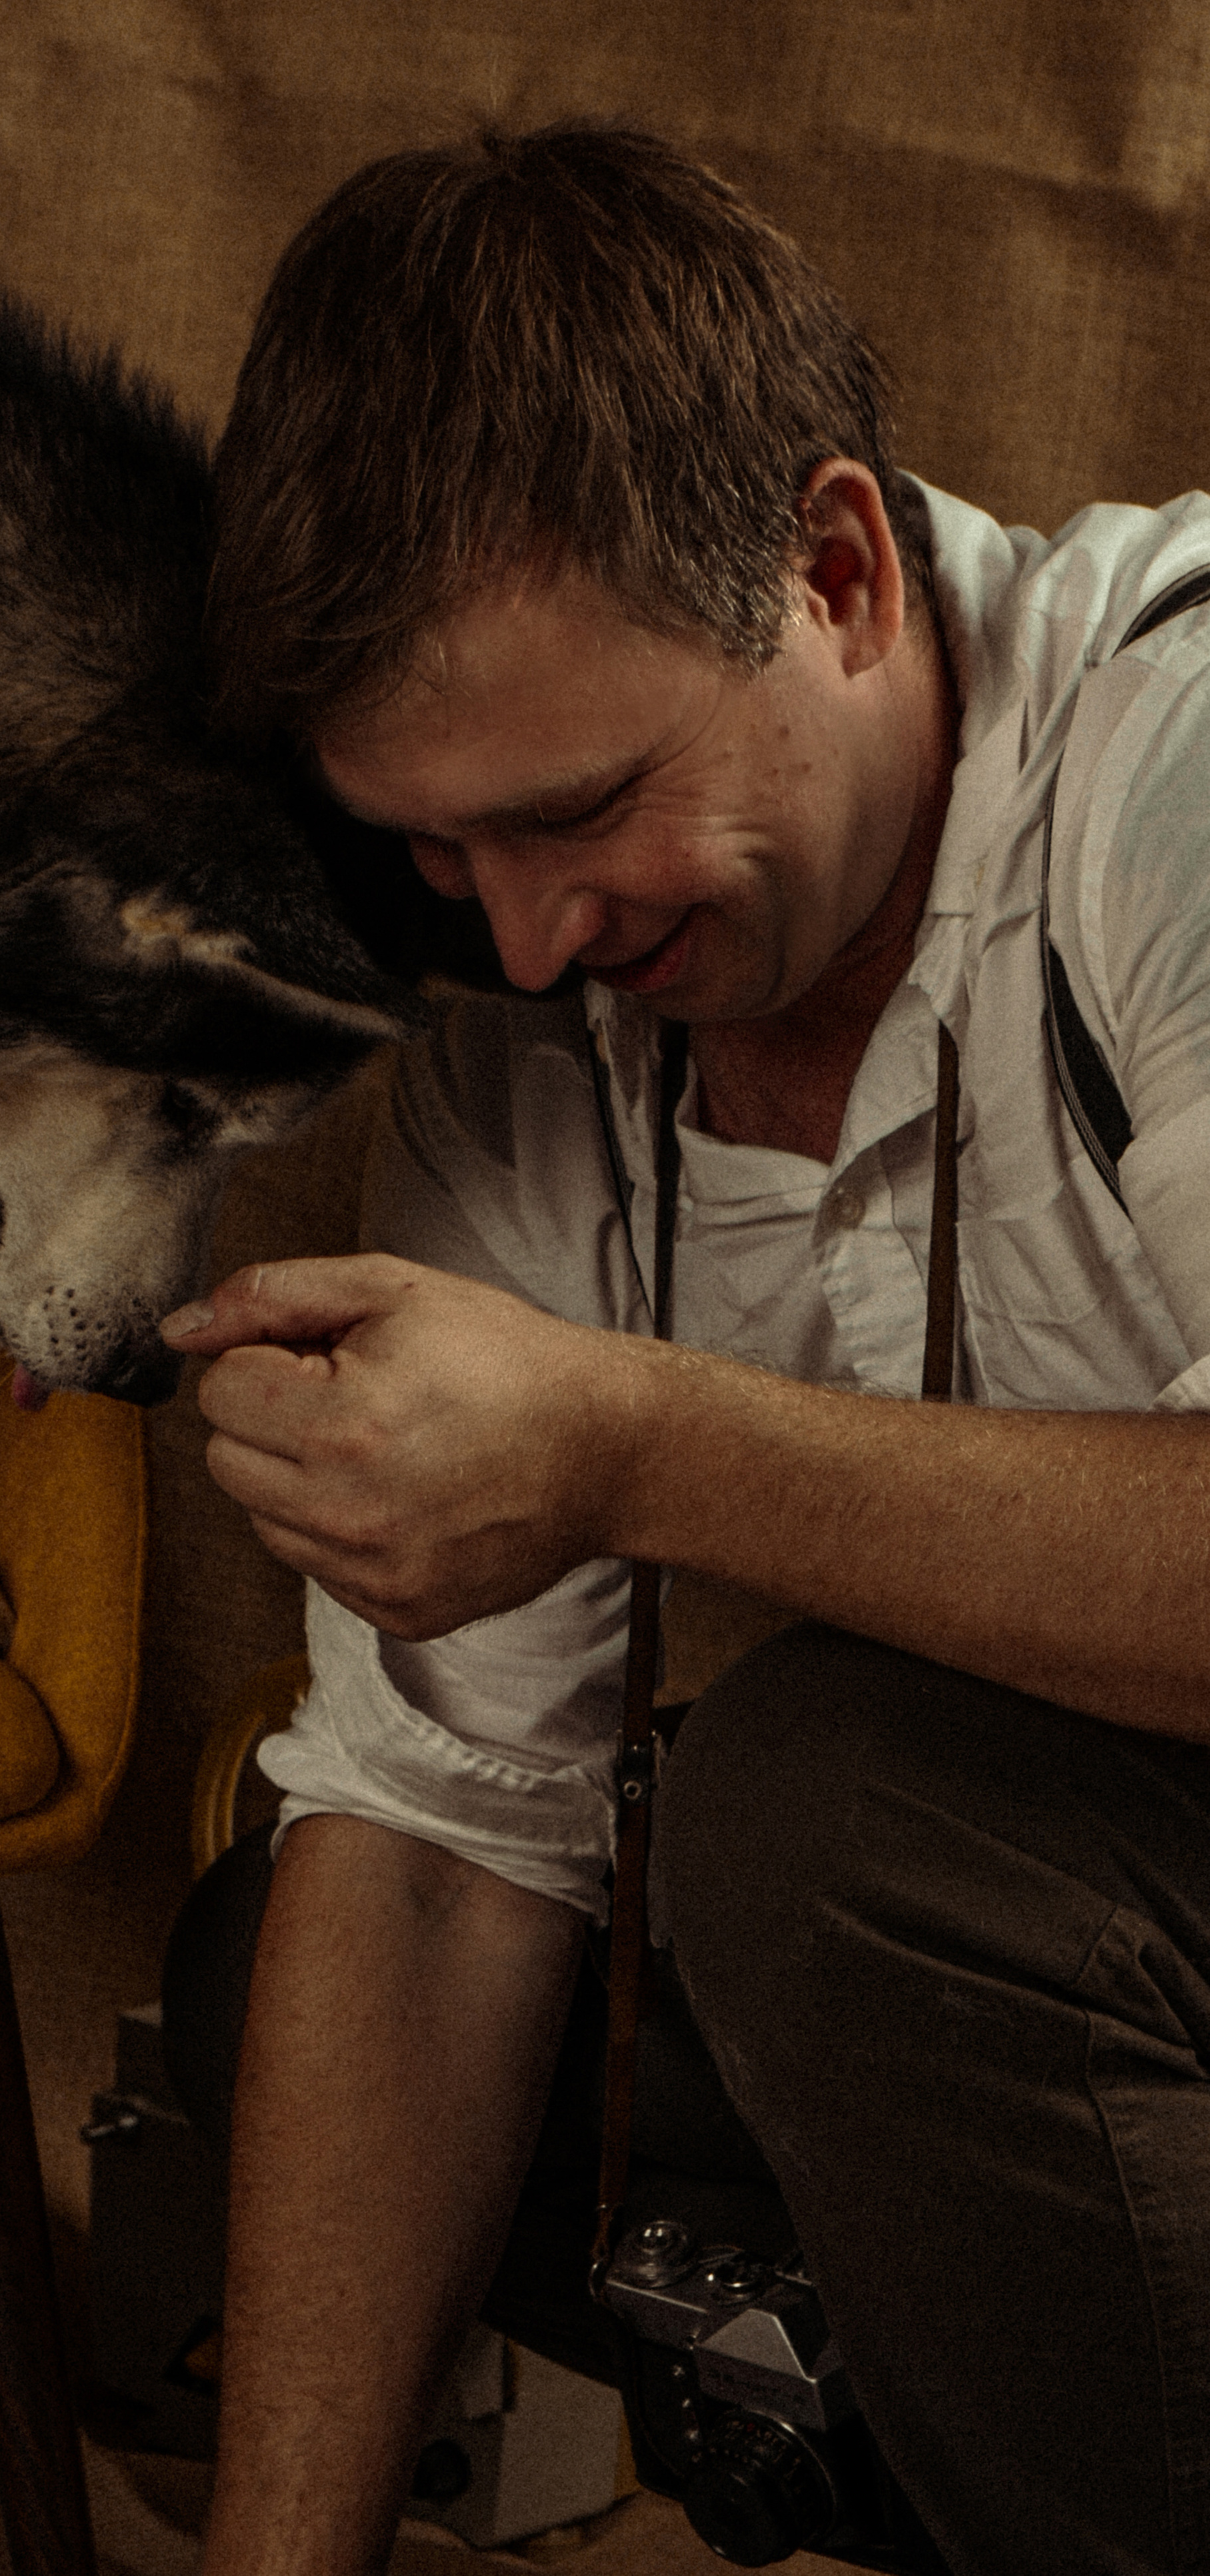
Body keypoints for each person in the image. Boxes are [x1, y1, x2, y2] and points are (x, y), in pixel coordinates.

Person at [157, 125, 1210, 2576]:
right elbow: (445, 1841)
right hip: (1097, 1939)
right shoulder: (546, 998)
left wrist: (625, 1442)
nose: (518, 942)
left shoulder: (1172, 761)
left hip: (1030, 1882)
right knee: (304, 1973)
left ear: (837, 570)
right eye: (437, 855)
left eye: (576, 809)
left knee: (836, 1824)